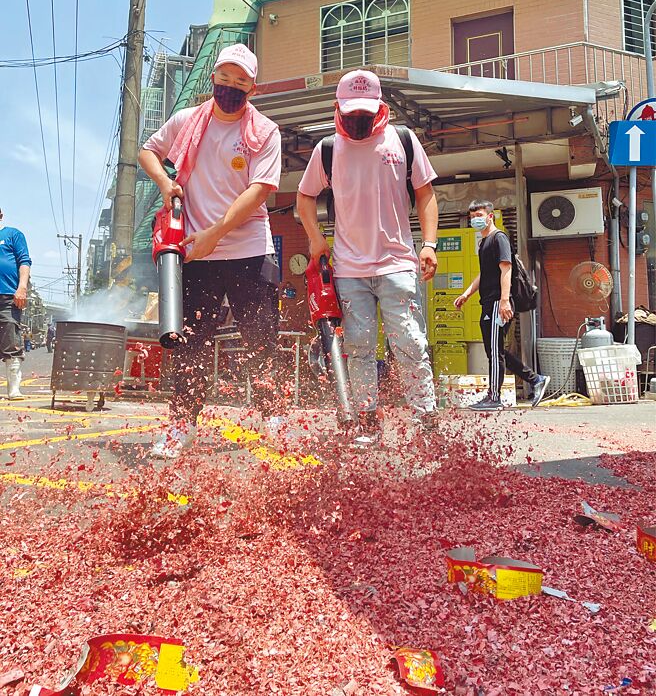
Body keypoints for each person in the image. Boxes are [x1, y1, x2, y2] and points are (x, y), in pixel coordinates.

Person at [139, 44, 282, 458]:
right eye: (225, 78)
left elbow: (260, 191)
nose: (231, 88)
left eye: (241, 82)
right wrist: (166, 185)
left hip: (249, 251)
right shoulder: (187, 120)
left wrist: (216, 233)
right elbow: (148, 150)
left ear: (252, 87)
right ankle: (181, 425)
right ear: (213, 78)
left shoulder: (264, 132)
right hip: (197, 253)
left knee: (262, 340)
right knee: (191, 343)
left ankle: (273, 418)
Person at [296, 69, 440, 445]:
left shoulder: (403, 140)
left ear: (381, 107)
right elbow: (304, 197)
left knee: (409, 343)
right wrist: (316, 240)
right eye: (351, 113)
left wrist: (429, 243)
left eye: (365, 113)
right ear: (337, 109)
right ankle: (367, 422)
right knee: (358, 347)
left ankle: (426, 421)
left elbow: (425, 194)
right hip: (349, 270)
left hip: (397, 264)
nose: (358, 121)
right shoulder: (328, 149)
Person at [455, 199, 550, 410]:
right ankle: (535, 380)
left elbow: (505, 269)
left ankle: (494, 397)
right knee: (494, 350)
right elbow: (485, 273)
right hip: (488, 302)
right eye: (472, 218)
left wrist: (505, 300)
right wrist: (467, 294)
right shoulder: (484, 243)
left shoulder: (499, 238)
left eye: (479, 216)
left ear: (490, 216)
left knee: (495, 351)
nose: (475, 221)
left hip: (499, 302)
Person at [0, 207, 32, 401]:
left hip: (7, 296)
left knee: (11, 339)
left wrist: (22, 288)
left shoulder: (12, 235)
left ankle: (13, 389)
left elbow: (24, 261)